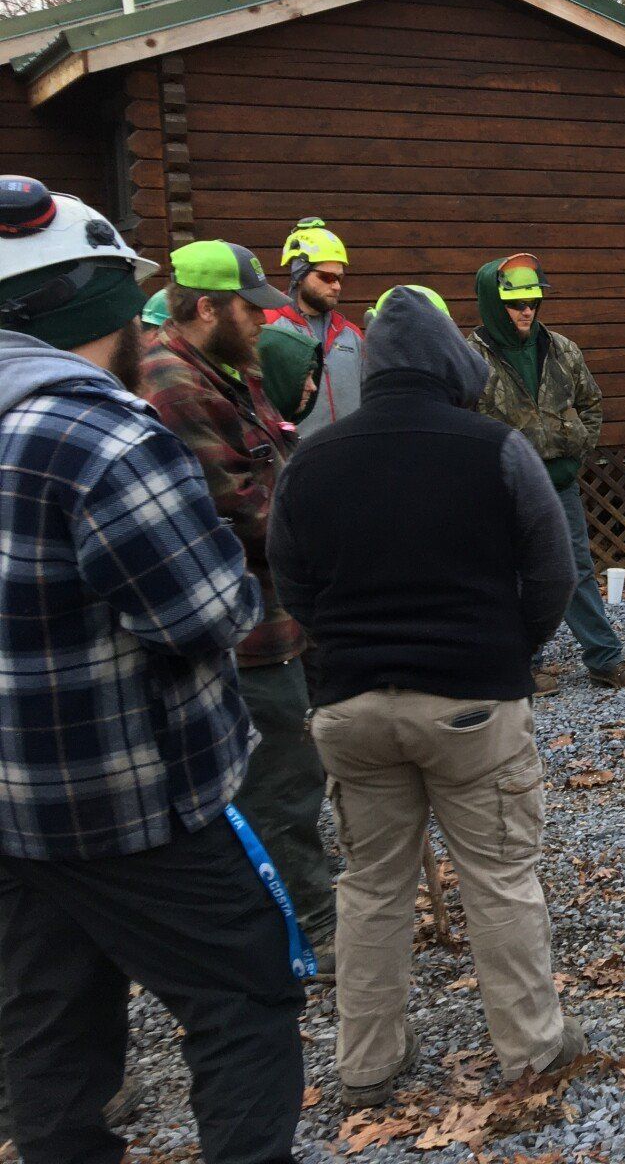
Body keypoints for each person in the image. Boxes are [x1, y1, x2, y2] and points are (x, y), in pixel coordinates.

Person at [0, 178, 304, 1164]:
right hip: (131, 799)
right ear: (88, 299)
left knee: (52, 1031)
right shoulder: (103, 434)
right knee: (248, 994)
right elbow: (204, 611)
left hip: (13, 810)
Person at [269, 286, 584, 1106]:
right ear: (453, 361)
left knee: (370, 885)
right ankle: (534, 1047)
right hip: (473, 705)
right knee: (501, 876)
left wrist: (342, 649)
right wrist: (508, 650)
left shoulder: (311, 459)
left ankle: (366, 1061)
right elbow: (552, 570)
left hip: (352, 707)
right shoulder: (495, 448)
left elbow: (292, 582)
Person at [141, 239, 338, 969]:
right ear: (204, 307)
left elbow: (275, 463)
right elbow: (239, 508)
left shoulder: (227, 369)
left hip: (284, 604)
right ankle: (309, 926)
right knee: (279, 775)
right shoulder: (170, 385)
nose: (261, 320)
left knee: (299, 766)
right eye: (248, 308)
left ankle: (304, 898)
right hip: (244, 623)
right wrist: (324, 520)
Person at [471, 254, 625, 692]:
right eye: (516, 304)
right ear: (494, 305)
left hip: (561, 482)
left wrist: (577, 453)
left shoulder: (561, 349)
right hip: (503, 490)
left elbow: (591, 402)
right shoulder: (472, 358)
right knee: (511, 575)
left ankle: (604, 659)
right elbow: (463, 424)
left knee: (575, 570)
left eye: (532, 301)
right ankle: (523, 664)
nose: (527, 310)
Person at [264, 217, 364, 434]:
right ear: (299, 275)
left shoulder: (352, 335)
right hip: (295, 461)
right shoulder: (268, 328)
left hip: (351, 459)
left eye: (339, 278)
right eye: (326, 277)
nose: (336, 286)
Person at [257, 324, 325, 451]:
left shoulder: (281, 432)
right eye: (305, 376)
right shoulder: (255, 438)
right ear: (278, 377)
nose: (313, 387)